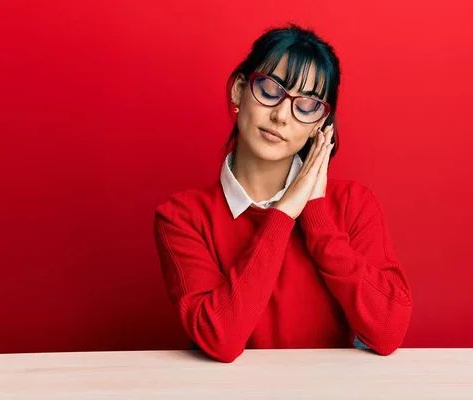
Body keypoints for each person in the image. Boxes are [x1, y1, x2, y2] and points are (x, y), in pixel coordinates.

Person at [153, 23, 412, 363]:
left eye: (306, 105)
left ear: (319, 125)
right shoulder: (182, 217)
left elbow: (389, 329)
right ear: (239, 91)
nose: (280, 116)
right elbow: (222, 339)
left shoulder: (352, 204)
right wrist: (284, 213)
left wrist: (316, 218)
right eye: (270, 89)